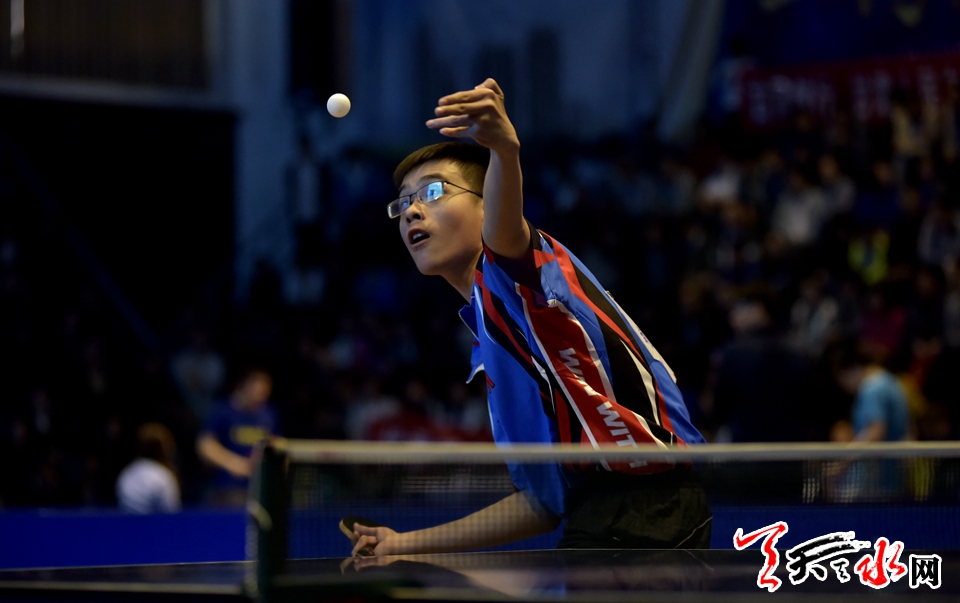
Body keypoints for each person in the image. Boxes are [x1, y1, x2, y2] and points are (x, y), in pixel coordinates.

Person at [347, 79, 710, 557]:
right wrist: (405, 543)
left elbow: (506, 231)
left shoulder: (518, 274)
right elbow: (541, 503)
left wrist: (503, 149)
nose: (412, 211)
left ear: (486, 204)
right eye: (403, 202)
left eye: (432, 192)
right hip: (603, 511)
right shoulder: (492, 330)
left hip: (649, 504)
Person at [196, 368, 279, 506]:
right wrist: (235, 464)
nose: (261, 397)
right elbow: (205, 446)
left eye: (265, 393)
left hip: (258, 490)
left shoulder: (269, 415)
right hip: (226, 490)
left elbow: (277, 443)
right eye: (257, 392)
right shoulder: (222, 411)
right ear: (243, 386)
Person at [116, 423, 181, 514]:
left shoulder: (127, 473)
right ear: (162, 448)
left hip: (127, 523)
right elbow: (170, 514)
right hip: (157, 523)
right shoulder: (164, 476)